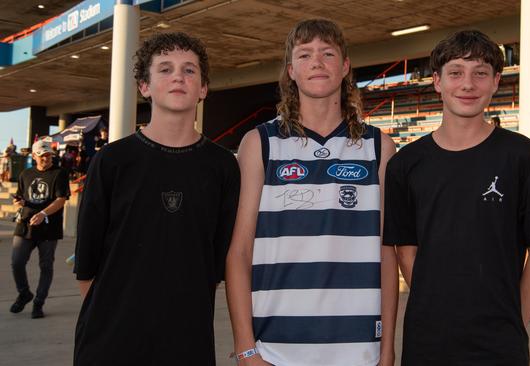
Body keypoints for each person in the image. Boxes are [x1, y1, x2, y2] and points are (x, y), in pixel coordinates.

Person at [226, 19, 398, 366]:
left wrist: (387, 348)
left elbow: (386, 255)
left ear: (345, 66)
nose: (317, 62)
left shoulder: (379, 147)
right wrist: (247, 349)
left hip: (359, 350)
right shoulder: (260, 143)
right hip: (276, 350)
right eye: (305, 55)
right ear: (291, 70)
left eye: (328, 53)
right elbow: (240, 253)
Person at [383, 30, 530, 365]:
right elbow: (405, 250)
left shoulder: (525, 157)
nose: (468, 84)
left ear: (495, 82)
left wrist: (514, 322)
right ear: (437, 81)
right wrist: (444, 308)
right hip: (427, 339)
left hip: (499, 345)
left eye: (480, 73)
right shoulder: (405, 164)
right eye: (456, 72)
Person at [73, 32, 240, 366]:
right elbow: (86, 268)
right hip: (111, 341)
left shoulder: (223, 166)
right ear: (144, 86)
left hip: (187, 340)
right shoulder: (112, 161)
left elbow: (220, 260)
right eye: (165, 68)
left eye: (189, 70)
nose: (178, 76)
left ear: (203, 89)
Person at [9, 139, 70, 318]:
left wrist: (43, 213)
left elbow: (61, 200)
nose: (46, 158)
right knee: (17, 262)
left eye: (48, 155)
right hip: (25, 225)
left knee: (46, 266)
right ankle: (24, 293)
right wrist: (18, 204)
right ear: (34, 156)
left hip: (48, 229)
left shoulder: (60, 173)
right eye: (42, 155)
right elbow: (19, 198)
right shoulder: (25, 174)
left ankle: (38, 302)